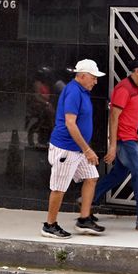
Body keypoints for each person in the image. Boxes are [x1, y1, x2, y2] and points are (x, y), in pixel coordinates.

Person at [92, 57, 138, 233]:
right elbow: (113, 117)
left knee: (118, 174)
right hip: (125, 141)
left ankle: (88, 200)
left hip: (131, 138)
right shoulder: (123, 89)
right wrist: (113, 146)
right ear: (137, 71)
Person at [42, 59, 107, 239]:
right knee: (59, 187)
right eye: (93, 78)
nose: (96, 82)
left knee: (91, 177)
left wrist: (85, 148)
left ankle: (84, 219)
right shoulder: (73, 92)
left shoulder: (82, 91)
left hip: (78, 149)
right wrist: (87, 150)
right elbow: (70, 123)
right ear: (83, 76)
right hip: (66, 148)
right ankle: (49, 225)